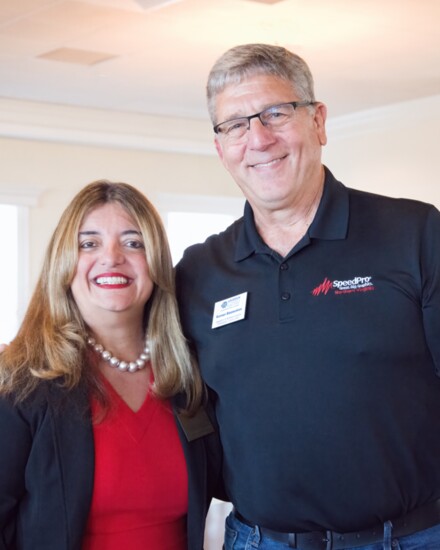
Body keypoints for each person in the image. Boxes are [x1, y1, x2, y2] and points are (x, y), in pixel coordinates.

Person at [175, 43, 440, 549]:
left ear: (318, 122)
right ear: (220, 147)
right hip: (259, 540)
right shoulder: (198, 271)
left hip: (408, 539)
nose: (258, 138)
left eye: (276, 113)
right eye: (235, 125)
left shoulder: (415, 234)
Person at [0, 180, 221, 550]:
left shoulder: (188, 374)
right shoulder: (22, 383)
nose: (112, 256)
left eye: (133, 243)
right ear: (64, 263)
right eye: (89, 243)